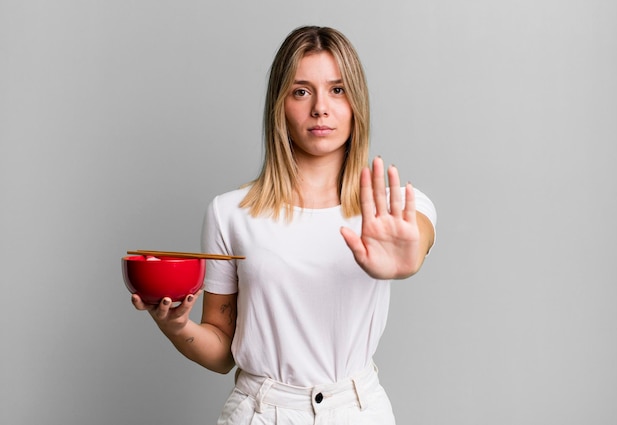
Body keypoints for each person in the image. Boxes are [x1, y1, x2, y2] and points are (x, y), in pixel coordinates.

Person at [132, 25, 436, 425]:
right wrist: (175, 327)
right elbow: (223, 349)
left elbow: (416, 241)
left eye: (338, 90)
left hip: (358, 411)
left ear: (356, 103)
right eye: (301, 91)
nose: (321, 108)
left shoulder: (392, 209)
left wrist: (406, 259)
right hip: (261, 411)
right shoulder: (230, 213)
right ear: (280, 105)